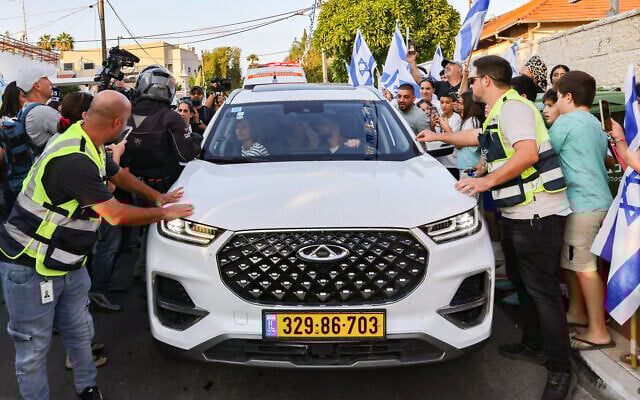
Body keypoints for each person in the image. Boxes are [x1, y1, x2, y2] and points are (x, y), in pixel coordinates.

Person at [0, 90, 194, 400]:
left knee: (79, 332)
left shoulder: (87, 139)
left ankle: (87, 387)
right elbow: (115, 215)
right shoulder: (73, 159)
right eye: (128, 121)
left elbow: (116, 172)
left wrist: (155, 195)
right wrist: (163, 213)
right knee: (33, 348)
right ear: (117, 123)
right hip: (31, 266)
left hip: (68, 261)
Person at [416, 55, 574, 400]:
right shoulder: (501, 109)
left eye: (473, 80)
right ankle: (533, 344)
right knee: (523, 281)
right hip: (519, 212)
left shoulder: (514, 108)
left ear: (486, 80)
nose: (469, 85)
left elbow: (527, 154)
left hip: (538, 213)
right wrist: (438, 136)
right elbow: (478, 137)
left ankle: (561, 369)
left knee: (543, 292)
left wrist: (487, 183)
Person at [550, 71, 614, 350]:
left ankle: (598, 331)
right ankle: (577, 312)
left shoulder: (566, 123)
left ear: (568, 97)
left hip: (581, 205)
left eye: (555, 100)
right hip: (601, 204)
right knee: (576, 264)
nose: (552, 107)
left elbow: (542, 155)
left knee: (585, 269)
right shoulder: (596, 124)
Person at [16, 66, 61, 153]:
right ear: (37, 85)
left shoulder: (25, 110)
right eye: (46, 79)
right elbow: (73, 133)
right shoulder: (41, 112)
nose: (51, 83)